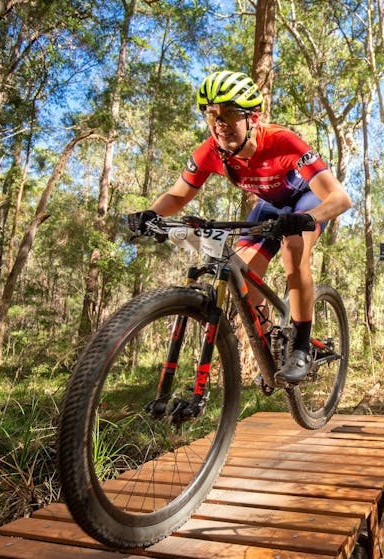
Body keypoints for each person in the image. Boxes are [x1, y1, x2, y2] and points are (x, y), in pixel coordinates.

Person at [128, 70, 352, 383]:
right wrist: (149, 214)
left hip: (307, 202)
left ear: (254, 118)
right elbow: (178, 195)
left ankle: (300, 347)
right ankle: (273, 343)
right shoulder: (211, 152)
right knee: (244, 273)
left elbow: (340, 198)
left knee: (293, 247)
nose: (220, 122)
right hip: (269, 207)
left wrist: (309, 218)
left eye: (231, 113)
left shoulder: (283, 142)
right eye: (212, 114)